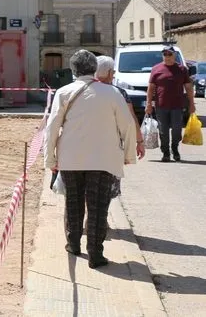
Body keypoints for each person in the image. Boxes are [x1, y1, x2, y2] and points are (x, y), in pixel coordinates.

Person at [44, 50, 138, 269]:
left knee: (73, 201)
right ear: (94, 69)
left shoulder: (64, 92)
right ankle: (96, 253)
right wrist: (128, 155)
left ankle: (73, 244)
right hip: (104, 159)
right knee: (98, 206)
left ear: (73, 70)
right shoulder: (112, 92)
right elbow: (128, 125)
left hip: (71, 157)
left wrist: (50, 160)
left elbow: (52, 128)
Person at [94, 55, 145, 200]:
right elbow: (131, 120)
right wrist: (139, 142)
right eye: (113, 72)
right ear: (109, 73)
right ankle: (100, 220)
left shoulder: (82, 91)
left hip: (86, 145)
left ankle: (90, 219)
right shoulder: (119, 93)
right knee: (108, 186)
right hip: (111, 146)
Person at [145, 46, 196, 162]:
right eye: (165, 54)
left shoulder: (182, 69)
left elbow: (188, 88)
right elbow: (151, 88)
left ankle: (175, 148)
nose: (167, 57)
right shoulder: (156, 69)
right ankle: (166, 152)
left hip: (177, 105)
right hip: (161, 105)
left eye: (169, 54)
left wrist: (192, 103)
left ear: (174, 55)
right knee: (163, 130)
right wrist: (148, 103)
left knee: (177, 129)